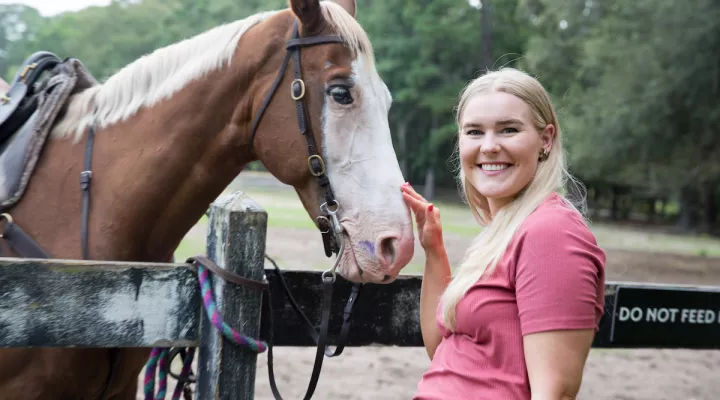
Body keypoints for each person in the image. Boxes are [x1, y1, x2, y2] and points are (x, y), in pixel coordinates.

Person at [401, 68, 606, 400]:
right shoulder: (503, 233)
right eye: (474, 132)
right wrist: (434, 250)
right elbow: (444, 350)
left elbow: (556, 392)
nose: (490, 146)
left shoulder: (551, 232)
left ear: (546, 139)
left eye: (508, 130)